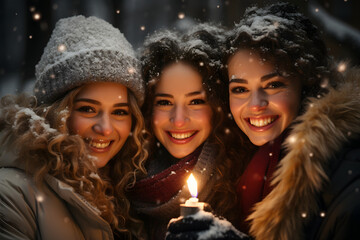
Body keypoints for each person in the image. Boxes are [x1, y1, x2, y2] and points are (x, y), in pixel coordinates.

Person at [0, 16, 147, 240]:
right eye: (88, 109)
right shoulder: (11, 193)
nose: (106, 129)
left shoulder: (125, 194)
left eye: (119, 112)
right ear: (53, 111)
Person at [225, 2, 360, 239]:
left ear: (306, 84)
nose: (255, 104)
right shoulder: (239, 158)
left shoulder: (344, 174)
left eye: (274, 85)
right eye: (240, 89)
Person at [127, 24, 250, 240]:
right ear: (146, 108)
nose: (179, 120)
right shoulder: (121, 177)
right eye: (164, 102)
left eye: (196, 101)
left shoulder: (249, 176)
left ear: (218, 106)